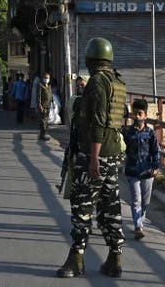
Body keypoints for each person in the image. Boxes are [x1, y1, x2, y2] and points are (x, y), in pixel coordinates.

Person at [56, 38, 126, 278]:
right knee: (110, 205)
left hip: (95, 154)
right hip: (114, 153)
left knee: (82, 206)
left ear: (91, 59)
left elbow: (97, 122)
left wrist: (93, 157)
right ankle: (115, 257)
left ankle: (77, 258)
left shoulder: (97, 82)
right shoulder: (117, 82)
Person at [121, 98, 160, 240]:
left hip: (147, 171)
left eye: (140, 114)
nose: (137, 117)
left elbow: (156, 151)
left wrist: (155, 167)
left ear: (145, 116)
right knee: (136, 199)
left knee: (145, 200)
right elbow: (121, 147)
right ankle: (138, 225)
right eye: (135, 113)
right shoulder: (127, 133)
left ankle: (141, 219)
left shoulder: (150, 134)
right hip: (132, 171)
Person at [37, 70, 54, 141]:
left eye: (48, 78)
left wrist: (53, 102)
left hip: (48, 105)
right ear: (43, 78)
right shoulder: (40, 86)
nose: (47, 79)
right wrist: (40, 105)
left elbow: (51, 95)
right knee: (43, 120)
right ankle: (43, 134)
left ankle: (43, 133)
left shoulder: (49, 86)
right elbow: (39, 96)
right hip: (43, 105)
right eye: (45, 78)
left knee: (46, 120)